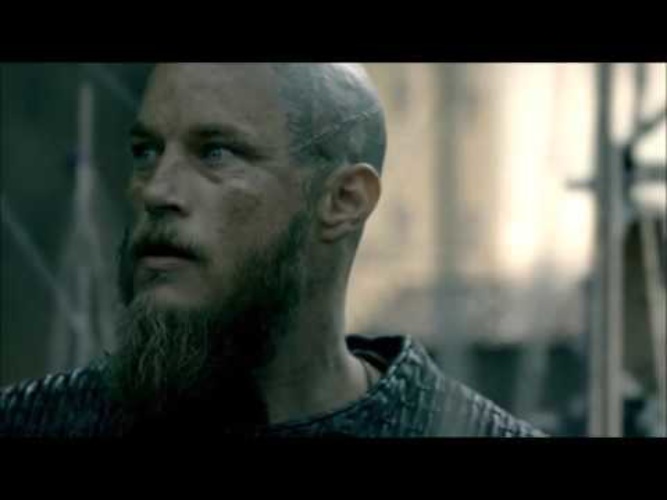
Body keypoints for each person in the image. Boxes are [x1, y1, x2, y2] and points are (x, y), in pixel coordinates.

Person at [0, 63, 543, 437]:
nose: (156, 191)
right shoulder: (33, 422)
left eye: (215, 153)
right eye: (146, 152)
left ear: (344, 200)